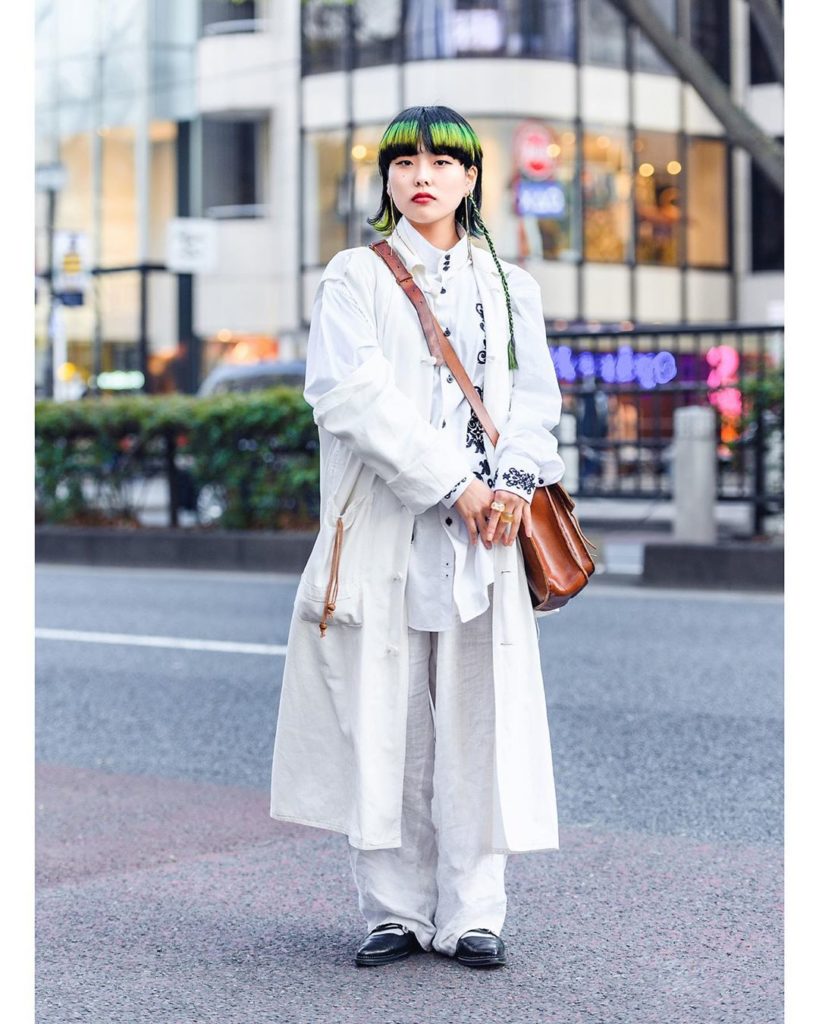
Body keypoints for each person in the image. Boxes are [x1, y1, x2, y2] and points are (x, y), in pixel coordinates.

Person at [270, 105, 565, 970]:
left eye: (441, 161)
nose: (421, 175)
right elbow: (347, 395)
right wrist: (454, 482)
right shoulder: (354, 276)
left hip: (485, 539)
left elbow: (535, 402)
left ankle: (473, 912)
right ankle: (392, 909)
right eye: (404, 162)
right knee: (385, 721)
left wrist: (510, 483)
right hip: (387, 527)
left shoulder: (510, 286)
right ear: (387, 179)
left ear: (471, 177)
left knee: (480, 722)